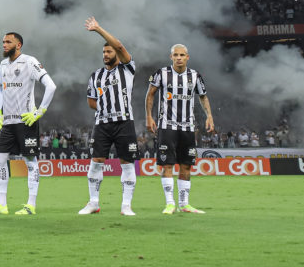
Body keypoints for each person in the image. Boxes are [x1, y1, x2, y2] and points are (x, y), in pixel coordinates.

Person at [0, 31, 57, 216]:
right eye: (3, 42)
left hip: (25, 121)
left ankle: (30, 205)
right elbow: (0, 89)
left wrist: (39, 112)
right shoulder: (3, 64)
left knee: (30, 161)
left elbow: (51, 86)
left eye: (8, 42)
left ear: (18, 45)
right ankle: (2, 205)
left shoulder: (30, 62)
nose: (4, 45)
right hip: (8, 122)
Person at [145, 44, 215, 214]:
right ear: (171, 57)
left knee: (186, 165)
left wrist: (210, 116)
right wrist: (149, 116)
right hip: (166, 126)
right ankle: (170, 203)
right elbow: (150, 94)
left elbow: (203, 96)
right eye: (175, 55)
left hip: (188, 127)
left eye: (182, 55)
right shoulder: (161, 74)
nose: (178, 58)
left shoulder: (195, 76)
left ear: (187, 57)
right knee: (167, 165)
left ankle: (184, 204)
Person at [79, 18, 138, 216]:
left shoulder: (127, 69)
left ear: (117, 54)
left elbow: (120, 45)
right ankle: (93, 202)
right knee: (96, 162)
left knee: (127, 164)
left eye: (109, 51)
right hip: (102, 124)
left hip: (124, 123)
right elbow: (91, 102)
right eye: (104, 52)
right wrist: (106, 108)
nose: (105, 54)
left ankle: (126, 205)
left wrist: (98, 29)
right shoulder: (95, 76)